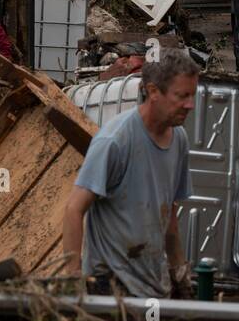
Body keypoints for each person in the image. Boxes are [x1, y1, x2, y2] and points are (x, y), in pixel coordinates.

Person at [62, 52, 199, 297]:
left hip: (153, 288)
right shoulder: (115, 141)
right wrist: (74, 282)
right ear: (154, 92)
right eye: (182, 96)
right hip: (111, 288)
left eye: (192, 95)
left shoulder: (179, 139)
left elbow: (169, 218)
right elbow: (74, 209)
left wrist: (180, 276)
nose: (190, 104)